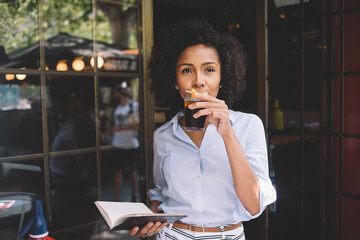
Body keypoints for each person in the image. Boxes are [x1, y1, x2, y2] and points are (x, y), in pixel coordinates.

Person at [129, 17, 276, 239]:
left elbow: (254, 205)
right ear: (175, 81)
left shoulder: (248, 125)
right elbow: (160, 194)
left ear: (222, 77)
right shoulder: (163, 135)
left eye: (209, 70)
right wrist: (151, 217)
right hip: (173, 235)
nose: (198, 81)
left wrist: (227, 132)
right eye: (187, 71)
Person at [110, 83, 140, 202]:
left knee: (132, 170)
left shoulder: (133, 106)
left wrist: (119, 129)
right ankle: (117, 199)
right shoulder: (118, 107)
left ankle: (134, 195)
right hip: (118, 143)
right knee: (117, 171)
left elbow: (137, 125)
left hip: (131, 143)